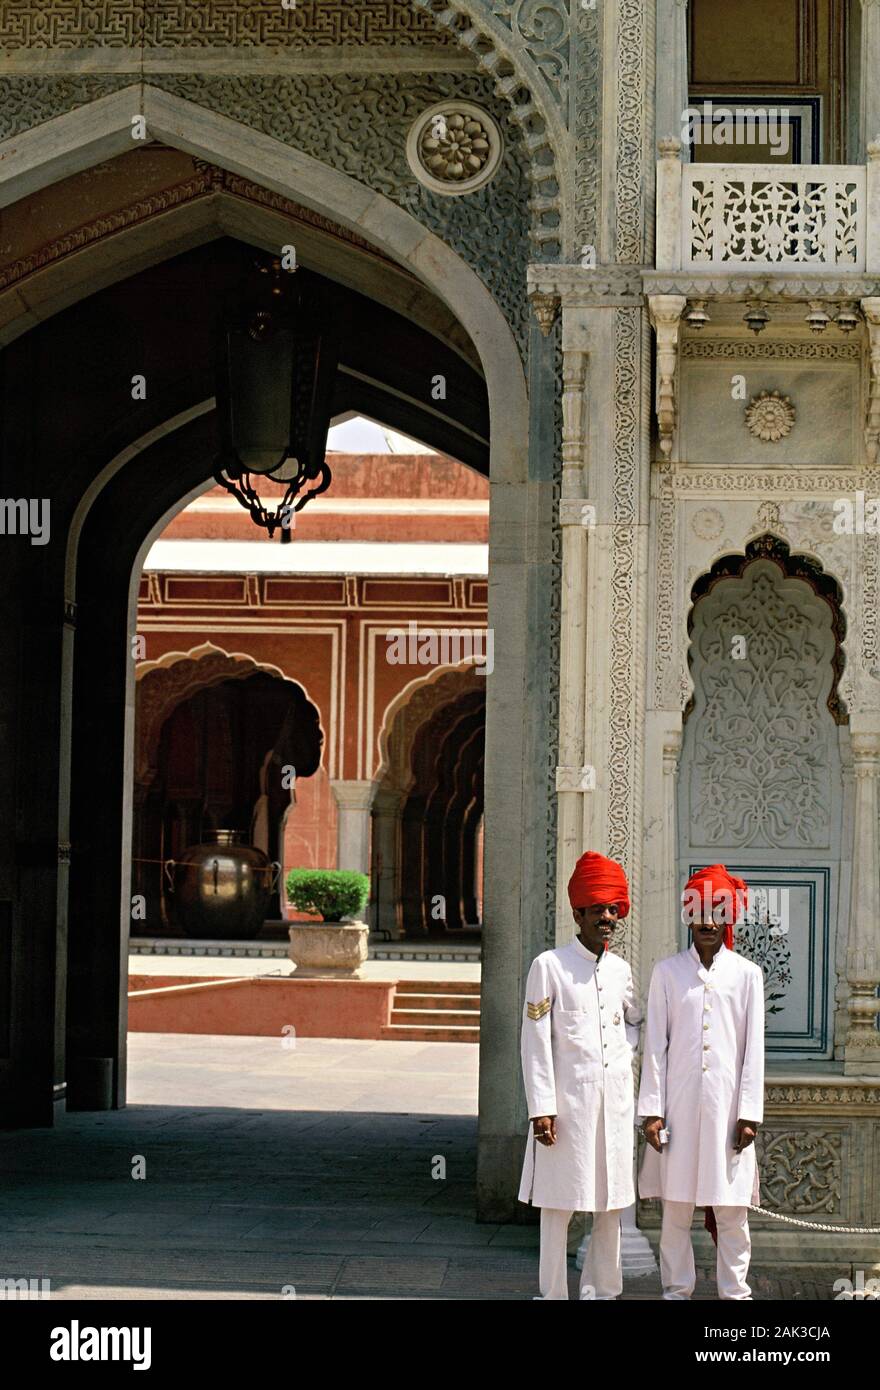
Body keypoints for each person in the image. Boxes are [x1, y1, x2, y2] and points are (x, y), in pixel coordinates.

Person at [637, 863, 765, 1301]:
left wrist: (749, 1114)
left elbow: (754, 1050)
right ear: (688, 917)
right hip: (676, 1111)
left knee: (731, 1211)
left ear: (728, 918)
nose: (708, 921)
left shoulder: (747, 975)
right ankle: (676, 1291)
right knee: (675, 1210)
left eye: (717, 912)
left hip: (728, 1114)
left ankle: (735, 1293)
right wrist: (652, 1112)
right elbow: (654, 1045)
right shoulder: (667, 972)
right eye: (700, 912)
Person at [519, 850, 643, 1300]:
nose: (607, 917)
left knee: (610, 1205)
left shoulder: (620, 970)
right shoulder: (548, 966)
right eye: (597, 910)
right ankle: (552, 1293)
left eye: (613, 909)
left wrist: (622, 1058)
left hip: (612, 1108)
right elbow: (534, 1041)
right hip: (565, 1111)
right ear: (578, 913)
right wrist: (542, 1109)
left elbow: (633, 1021)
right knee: (558, 1206)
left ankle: (604, 1291)